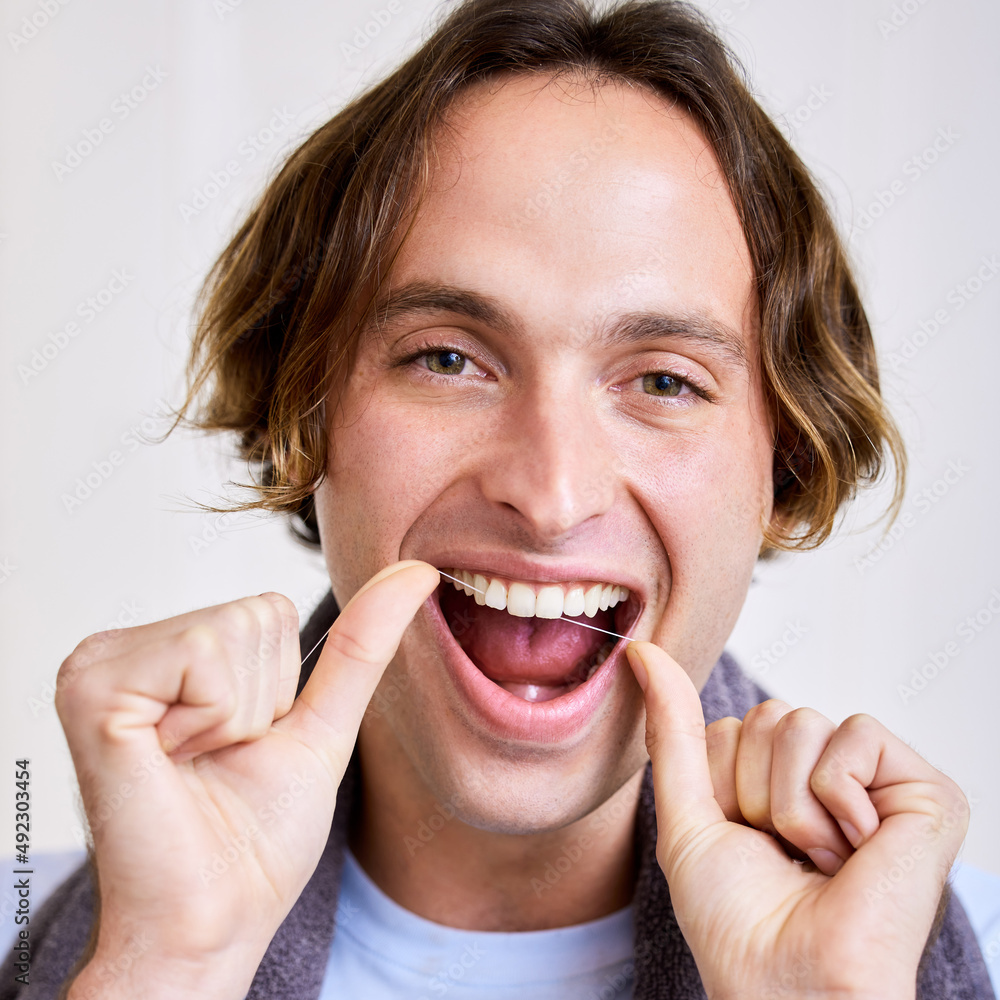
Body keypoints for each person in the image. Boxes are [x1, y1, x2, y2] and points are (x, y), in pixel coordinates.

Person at [3, 0, 994, 997]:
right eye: (447, 359)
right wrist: (164, 965)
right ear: (308, 413)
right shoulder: (73, 941)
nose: (551, 495)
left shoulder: (951, 953)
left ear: (781, 466)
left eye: (662, 381)